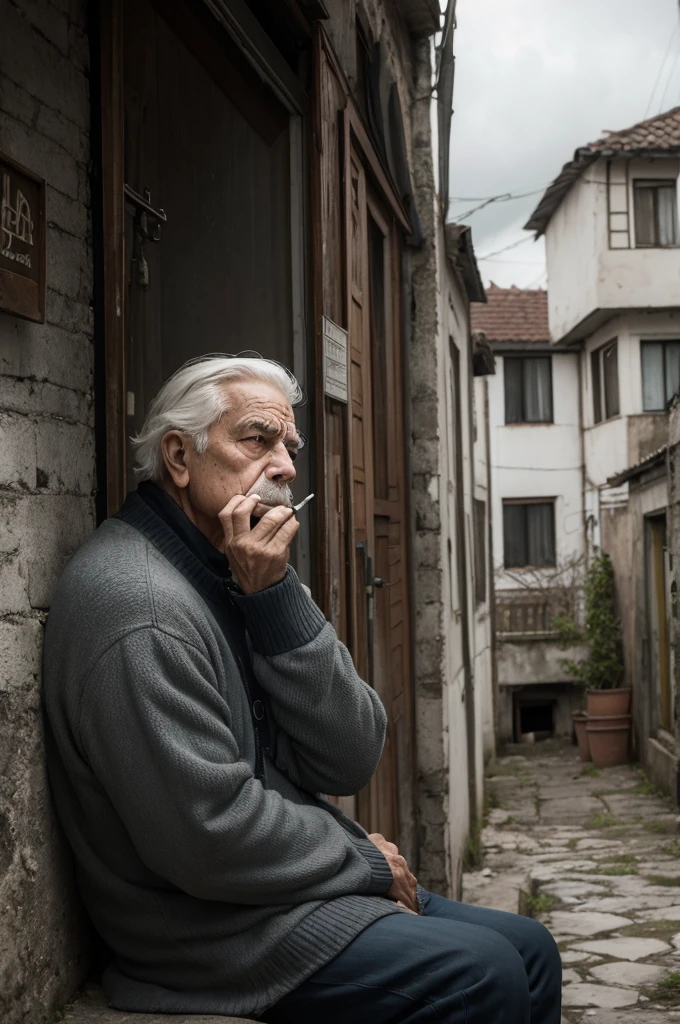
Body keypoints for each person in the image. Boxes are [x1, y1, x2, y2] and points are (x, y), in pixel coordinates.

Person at [43, 354, 561, 1023]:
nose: (286, 466)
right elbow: (209, 837)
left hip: (284, 893)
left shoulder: (242, 567)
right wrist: (361, 858)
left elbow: (349, 754)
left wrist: (277, 599)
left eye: (289, 447)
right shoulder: (139, 609)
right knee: (483, 975)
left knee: (529, 948)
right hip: (207, 933)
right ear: (179, 456)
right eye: (256, 439)